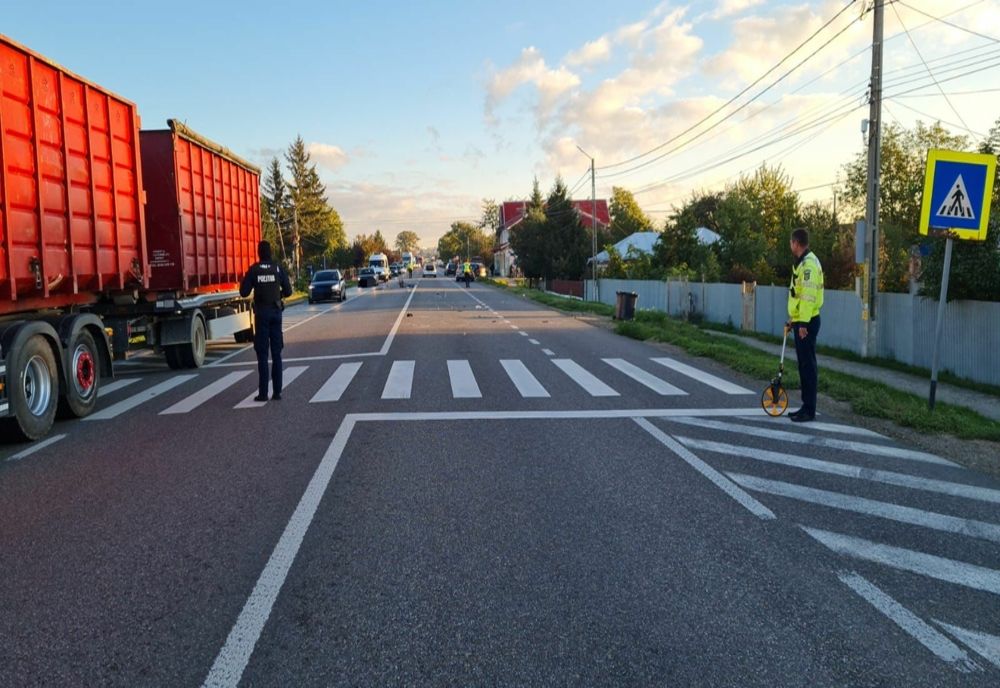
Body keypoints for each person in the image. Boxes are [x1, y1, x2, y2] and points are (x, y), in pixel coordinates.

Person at [240, 240, 292, 402]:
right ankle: (277, 392)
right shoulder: (277, 268)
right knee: (277, 354)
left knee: (262, 355)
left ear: (259, 253)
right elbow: (289, 291)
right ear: (271, 252)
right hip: (276, 313)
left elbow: (243, 292)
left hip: (261, 315)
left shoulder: (254, 270)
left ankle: (263, 394)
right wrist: (279, 294)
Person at [786, 228, 824, 422]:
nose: (790, 246)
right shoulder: (803, 262)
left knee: (808, 367)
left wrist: (803, 324)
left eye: (791, 242)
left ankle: (809, 410)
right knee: (804, 366)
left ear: (796, 243)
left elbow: (808, 298)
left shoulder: (808, 265)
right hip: (803, 320)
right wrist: (794, 319)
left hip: (807, 322)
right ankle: (805, 406)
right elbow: (799, 296)